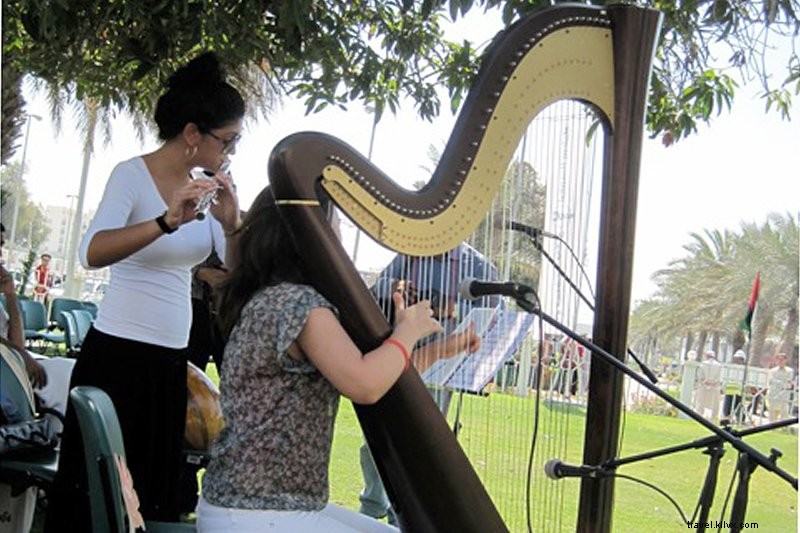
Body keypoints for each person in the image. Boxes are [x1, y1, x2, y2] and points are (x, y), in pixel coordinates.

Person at [44, 51, 244, 531]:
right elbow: (92, 251)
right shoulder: (131, 175)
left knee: (151, 501)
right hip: (119, 357)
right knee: (96, 501)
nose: (230, 153)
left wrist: (231, 222)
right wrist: (165, 221)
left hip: (171, 361)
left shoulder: (206, 188)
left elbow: (237, 270)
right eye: (226, 141)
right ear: (193, 134)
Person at [196, 186, 443, 532]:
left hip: (248, 502)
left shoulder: (267, 296)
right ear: (310, 239)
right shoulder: (300, 305)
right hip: (257, 511)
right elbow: (365, 384)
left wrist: (443, 347)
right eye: (334, 229)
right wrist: (408, 331)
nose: (339, 242)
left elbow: (377, 373)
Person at [358, 245, 493, 524]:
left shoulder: (480, 266)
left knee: (418, 445)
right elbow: (374, 289)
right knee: (376, 438)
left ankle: (402, 517)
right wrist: (394, 287)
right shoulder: (411, 252)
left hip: (442, 369)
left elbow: (492, 317)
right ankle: (372, 505)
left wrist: (452, 308)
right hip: (397, 359)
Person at [694, 350, 722, 423]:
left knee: (700, 402)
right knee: (714, 404)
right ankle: (713, 418)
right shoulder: (719, 365)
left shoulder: (702, 364)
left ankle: (699, 416)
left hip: (704, 386)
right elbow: (719, 377)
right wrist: (713, 382)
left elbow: (699, 376)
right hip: (714, 386)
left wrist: (705, 382)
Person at [766, 353, 795, 424]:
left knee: (784, 415)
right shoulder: (773, 371)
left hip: (783, 396)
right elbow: (770, 381)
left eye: (782, 359)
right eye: (778, 359)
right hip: (773, 395)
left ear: (786, 360)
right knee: (772, 415)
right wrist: (780, 383)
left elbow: (788, 383)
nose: (780, 361)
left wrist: (780, 383)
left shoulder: (789, 371)